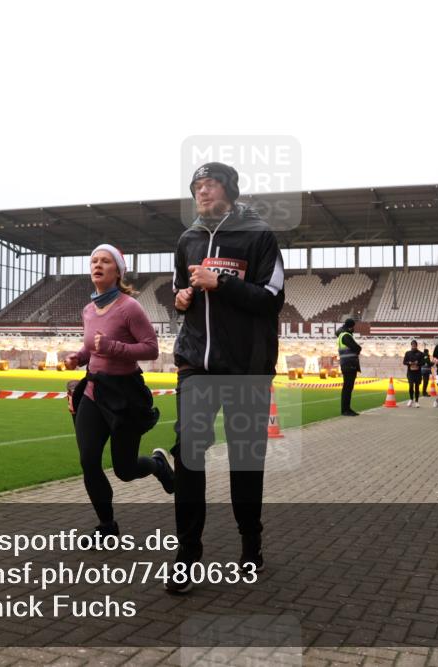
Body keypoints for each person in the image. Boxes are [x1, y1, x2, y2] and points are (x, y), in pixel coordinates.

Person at [167, 162, 285, 594]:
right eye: (196, 186)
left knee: (245, 458)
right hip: (196, 365)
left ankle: (250, 542)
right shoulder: (187, 239)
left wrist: (221, 282)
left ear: (230, 190)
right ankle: (186, 554)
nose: (202, 192)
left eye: (210, 184)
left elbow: (271, 299)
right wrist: (180, 299)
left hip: (247, 368)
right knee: (189, 453)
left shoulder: (259, 236)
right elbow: (181, 292)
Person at [65, 245, 174, 540]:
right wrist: (79, 357)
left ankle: (157, 464)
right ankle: (107, 527)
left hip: (124, 396)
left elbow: (151, 349)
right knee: (89, 461)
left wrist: (113, 348)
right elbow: (91, 346)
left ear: (118, 271)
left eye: (105, 261)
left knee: (124, 469)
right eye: (93, 261)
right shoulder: (88, 309)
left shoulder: (129, 307)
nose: (97, 265)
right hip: (93, 390)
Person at [336, 318, 362, 416]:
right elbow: (356, 348)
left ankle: (346, 409)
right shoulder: (346, 336)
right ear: (351, 326)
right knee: (348, 388)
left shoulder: (342, 335)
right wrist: (359, 348)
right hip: (349, 364)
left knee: (347, 387)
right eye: (353, 327)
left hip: (346, 364)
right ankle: (346, 410)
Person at [402, 339, 424, 407]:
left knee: (417, 387)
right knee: (411, 385)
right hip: (410, 372)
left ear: (416, 345)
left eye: (415, 345)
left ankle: (417, 401)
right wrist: (409, 363)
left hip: (418, 373)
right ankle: (411, 399)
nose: (413, 346)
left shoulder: (420, 353)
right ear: (411, 345)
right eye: (412, 345)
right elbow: (404, 362)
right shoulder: (407, 353)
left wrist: (418, 363)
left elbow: (423, 363)